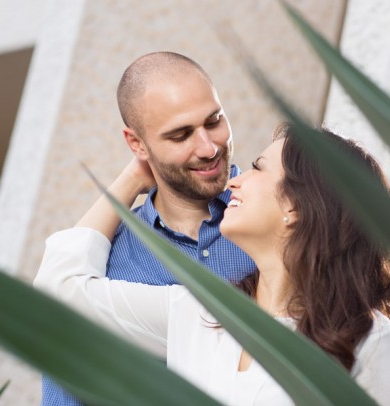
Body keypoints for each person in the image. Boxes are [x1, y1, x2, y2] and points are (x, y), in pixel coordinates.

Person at [35, 123, 390, 405]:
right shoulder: (198, 314)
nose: (235, 181)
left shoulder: (362, 338)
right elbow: (60, 295)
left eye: (259, 168)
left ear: (295, 207)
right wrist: (134, 178)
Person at [40, 52, 256, 405]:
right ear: (136, 144)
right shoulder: (101, 264)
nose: (209, 147)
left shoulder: (278, 223)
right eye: (180, 135)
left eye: (214, 120)